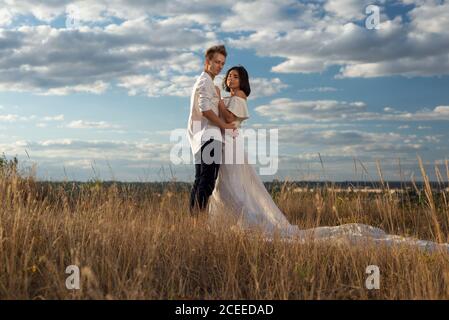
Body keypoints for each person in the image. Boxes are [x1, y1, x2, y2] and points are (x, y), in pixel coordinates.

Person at [208, 65, 449, 253]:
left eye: (236, 76)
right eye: (229, 76)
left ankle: (246, 223)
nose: (231, 79)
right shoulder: (229, 94)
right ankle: (229, 224)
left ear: (243, 81)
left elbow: (229, 118)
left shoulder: (239, 96)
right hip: (224, 144)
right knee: (226, 185)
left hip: (231, 146)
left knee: (232, 186)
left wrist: (217, 99)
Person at [187, 45, 237, 215]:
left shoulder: (206, 82)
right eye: (216, 62)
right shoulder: (205, 82)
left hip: (200, 137)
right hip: (209, 136)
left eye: (222, 63)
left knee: (200, 180)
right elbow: (205, 110)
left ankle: (194, 222)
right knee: (207, 182)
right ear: (207, 62)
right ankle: (197, 222)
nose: (220, 66)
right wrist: (224, 126)